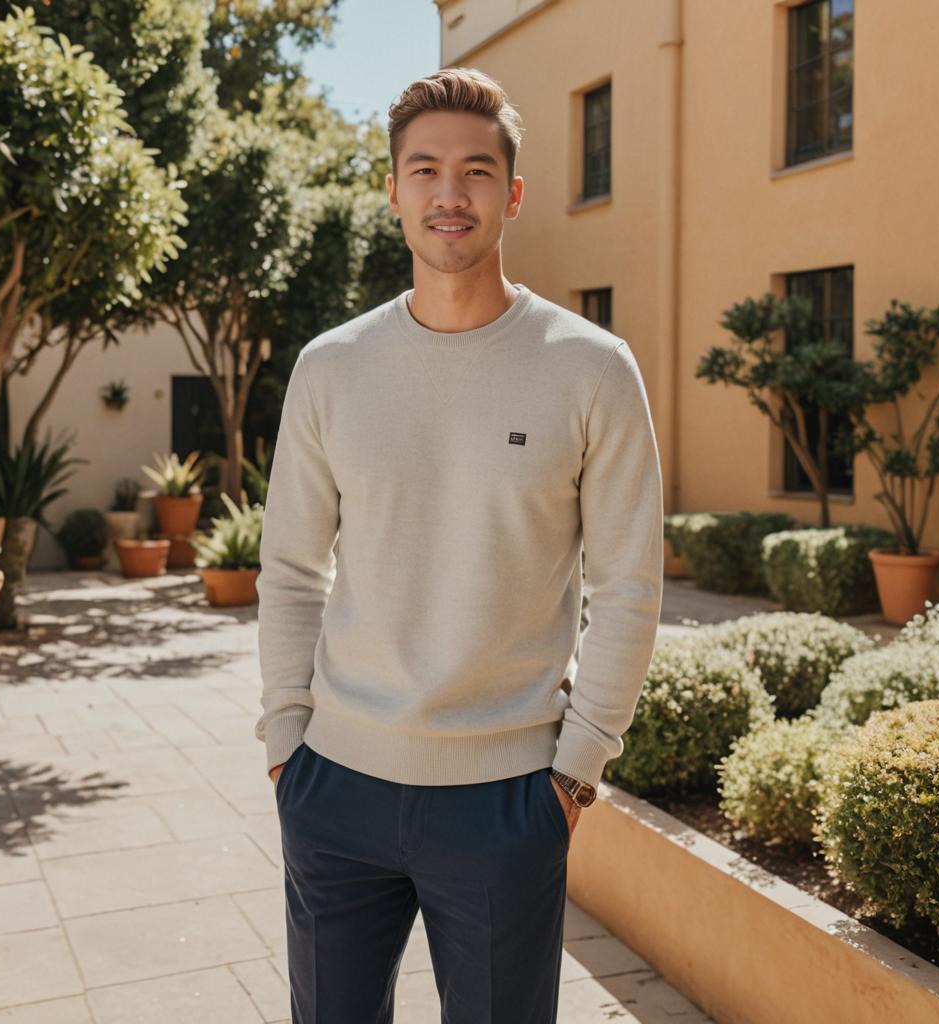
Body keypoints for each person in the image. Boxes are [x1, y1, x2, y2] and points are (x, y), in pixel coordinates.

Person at [254, 66, 664, 1024]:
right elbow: (290, 569)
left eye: (476, 171)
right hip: (334, 791)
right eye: (425, 169)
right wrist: (286, 742)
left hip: (508, 801)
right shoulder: (331, 368)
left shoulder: (592, 370)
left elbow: (630, 584)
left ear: (512, 194)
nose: (450, 194)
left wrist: (576, 771)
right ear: (392, 189)